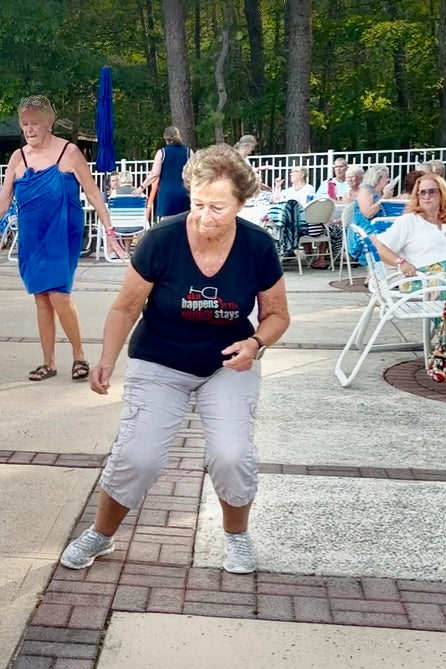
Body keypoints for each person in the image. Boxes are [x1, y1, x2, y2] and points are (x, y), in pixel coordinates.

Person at [60, 144, 289, 574]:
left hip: (227, 364)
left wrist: (256, 343)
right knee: (138, 456)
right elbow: (126, 307)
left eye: (218, 207)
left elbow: (277, 315)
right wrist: (106, 359)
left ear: (242, 203)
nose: (205, 216)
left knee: (232, 454)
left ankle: (237, 537)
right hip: (160, 360)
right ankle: (101, 535)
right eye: (198, 204)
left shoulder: (257, 247)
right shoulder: (161, 240)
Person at [0, 94, 124, 382]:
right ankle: (48, 362)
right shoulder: (18, 157)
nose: (29, 129)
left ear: (49, 123)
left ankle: (79, 355)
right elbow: (5, 196)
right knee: (41, 298)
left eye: (35, 123)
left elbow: (94, 193)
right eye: (24, 124)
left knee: (59, 295)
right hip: (32, 238)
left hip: (63, 233)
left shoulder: (69, 152)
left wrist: (109, 231)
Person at [372, 174, 446, 288]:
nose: (427, 196)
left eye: (432, 192)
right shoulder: (409, 221)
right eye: (422, 192)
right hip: (428, 280)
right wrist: (400, 263)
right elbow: (380, 247)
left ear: (442, 194)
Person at [133, 125, 192, 222]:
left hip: (167, 194)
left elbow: (154, 174)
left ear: (166, 138)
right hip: (184, 192)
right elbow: (194, 173)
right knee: (185, 223)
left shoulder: (162, 152)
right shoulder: (188, 152)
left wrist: (141, 187)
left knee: (166, 224)